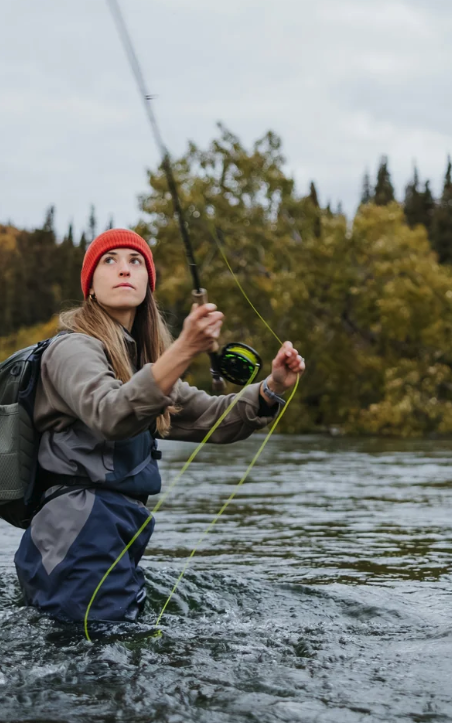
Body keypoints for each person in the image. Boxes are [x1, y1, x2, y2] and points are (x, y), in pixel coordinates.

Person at [15, 228, 304, 625]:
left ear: (148, 283)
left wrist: (272, 388)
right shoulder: (71, 349)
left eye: (135, 262)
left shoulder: (141, 364)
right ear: (91, 288)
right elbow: (110, 413)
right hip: (75, 539)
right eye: (109, 261)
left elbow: (211, 418)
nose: (124, 270)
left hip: (111, 538)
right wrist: (185, 349)